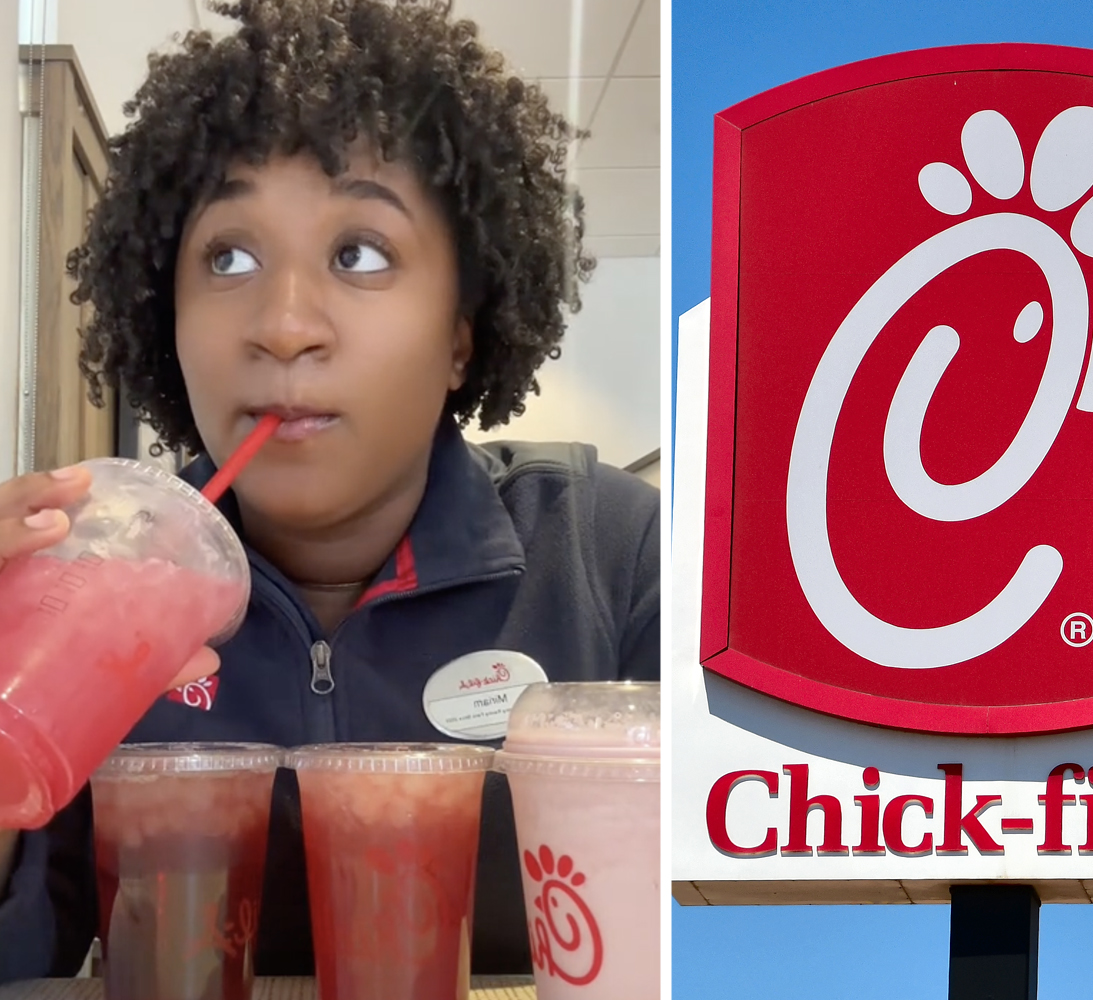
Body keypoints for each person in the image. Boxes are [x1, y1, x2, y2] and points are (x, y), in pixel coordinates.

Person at [0, 0, 659, 980]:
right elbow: (26, 960)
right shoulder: (93, 590)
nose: (284, 325)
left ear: (460, 336)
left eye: (360, 254)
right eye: (228, 257)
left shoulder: (613, 551)